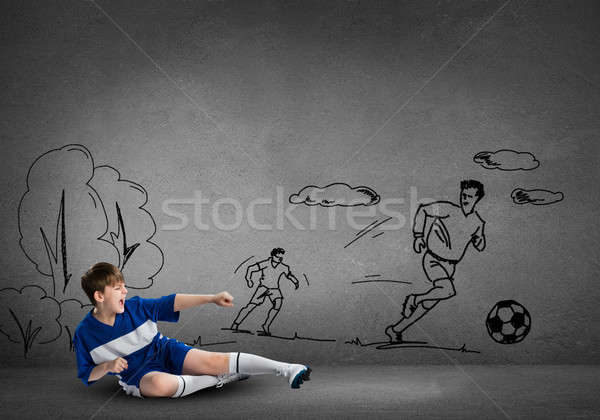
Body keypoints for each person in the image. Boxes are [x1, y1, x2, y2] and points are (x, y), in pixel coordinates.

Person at [73, 262, 311, 398]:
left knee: (213, 359)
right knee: (160, 387)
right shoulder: (85, 334)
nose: (125, 292)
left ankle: (287, 369)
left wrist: (211, 298)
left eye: (124, 287)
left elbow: (172, 301)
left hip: (165, 350)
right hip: (138, 374)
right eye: (118, 288)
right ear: (99, 295)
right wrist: (107, 366)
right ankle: (219, 379)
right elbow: (87, 375)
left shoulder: (136, 306)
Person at [385, 180, 486, 343]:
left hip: (451, 267)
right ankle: (414, 299)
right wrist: (418, 236)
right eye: (463, 194)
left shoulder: (477, 223)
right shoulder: (449, 209)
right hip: (433, 260)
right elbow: (423, 209)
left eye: (469, 196)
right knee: (448, 290)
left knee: (428, 305)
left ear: (477, 198)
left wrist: (478, 241)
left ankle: (395, 330)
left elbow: (480, 245)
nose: (465, 198)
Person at [230, 248, 299, 335]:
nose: (280, 260)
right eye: (278, 257)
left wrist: (296, 282)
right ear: (273, 256)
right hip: (263, 288)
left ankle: (266, 325)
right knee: (251, 306)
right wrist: (249, 280)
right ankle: (236, 323)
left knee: (278, 304)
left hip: (274, 289)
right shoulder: (265, 263)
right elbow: (250, 268)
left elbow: (289, 275)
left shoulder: (284, 267)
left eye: (281, 258)